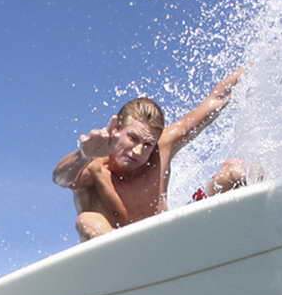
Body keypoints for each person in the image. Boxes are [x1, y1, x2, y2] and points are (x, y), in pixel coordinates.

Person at [52, 68, 253, 242]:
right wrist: (83, 154)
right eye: (132, 138)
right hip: (120, 259)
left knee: (234, 173)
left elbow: (217, 98)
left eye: (147, 144)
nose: (138, 151)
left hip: (172, 240)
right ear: (115, 129)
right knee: (87, 220)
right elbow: (60, 178)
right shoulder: (94, 167)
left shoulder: (162, 148)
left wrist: (257, 63)